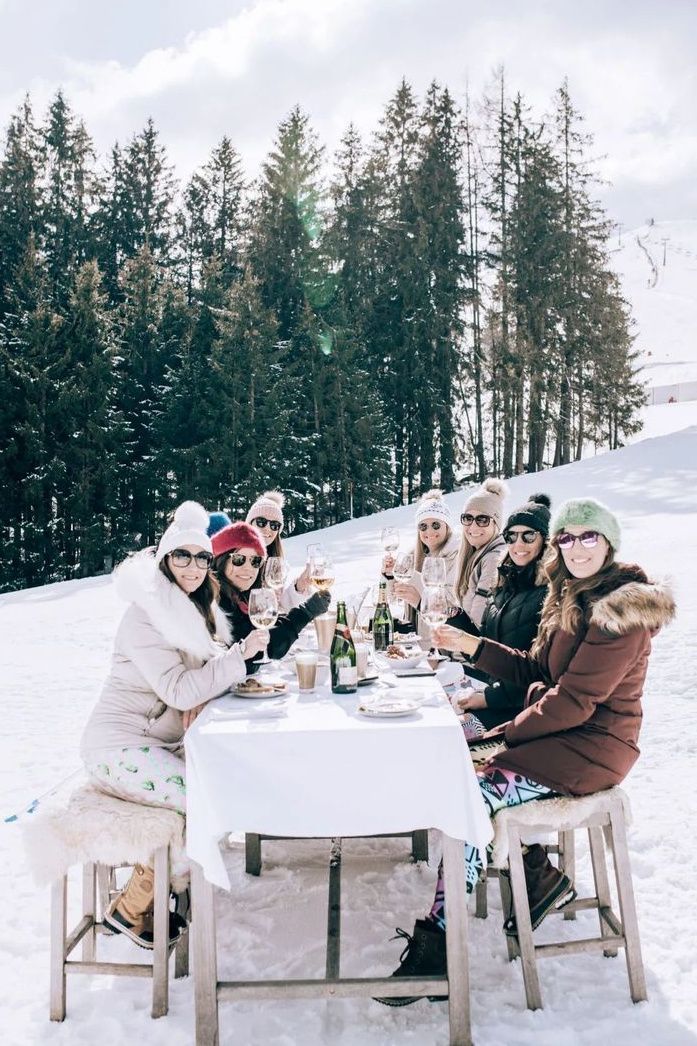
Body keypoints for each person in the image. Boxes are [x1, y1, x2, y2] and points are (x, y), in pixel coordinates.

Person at [376, 497, 675, 1005]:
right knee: (459, 774)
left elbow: (577, 701)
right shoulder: (568, 594)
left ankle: (439, 942)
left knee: (469, 795)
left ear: (609, 543)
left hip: (594, 748)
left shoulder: (620, 609)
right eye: (568, 537)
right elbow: (538, 673)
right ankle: (534, 879)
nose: (577, 547)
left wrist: (506, 733)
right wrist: (472, 647)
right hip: (560, 735)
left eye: (589, 537)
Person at [80, 502, 265, 949]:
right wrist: (237, 659)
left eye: (202, 557)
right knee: (200, 799)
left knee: (217, 784)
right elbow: (181, 691)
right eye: (182, 556)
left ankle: (178, 890)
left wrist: (219, 677)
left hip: (156, 746)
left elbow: (198, 682)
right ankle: (136, 904)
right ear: (164, 561)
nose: (194, 566)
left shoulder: (194, 610)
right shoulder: (145, 615)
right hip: (116, 751)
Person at [453, 494, 551, 739]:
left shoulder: (549, 593)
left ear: (546, 540)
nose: (518, 544)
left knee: (451, 736)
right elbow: (487, 645)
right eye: (512, 536)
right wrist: (452, 617)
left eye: (529, 535)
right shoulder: (505, 582)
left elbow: (537, 673)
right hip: (493, 693)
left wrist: (485, 699)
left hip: (519, 710)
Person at [211, 520, 329, 668]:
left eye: (255, 561)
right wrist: (306, 612)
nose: (248, 568)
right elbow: (262, 649)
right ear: (221, 561)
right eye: (239, 559)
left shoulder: (239, 596)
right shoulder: (217, 600)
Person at [390, 489, 460, 630]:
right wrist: (387, 576)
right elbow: (391, 598)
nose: (429, 532)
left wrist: (413, 577)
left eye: (435, 525)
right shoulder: (412, 556)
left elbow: (450, 601)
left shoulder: (457, 555)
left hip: (440, 640)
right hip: (414, 639)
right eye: (423, 526)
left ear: (446, 526)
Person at [452, 478, 509, 629]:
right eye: (468, 518)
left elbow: (477, 625)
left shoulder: (493, 559)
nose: (473, 526)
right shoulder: (475, 556)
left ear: (496, 524)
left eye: (482, 520)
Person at [246, 491, 313, 611]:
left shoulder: (276, 563)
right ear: (250, 523)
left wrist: (299, 587)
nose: (267, 529)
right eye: (261, 522)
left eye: (274, 525)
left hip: (265, 626)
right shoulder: (238, 559)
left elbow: (280, 605)